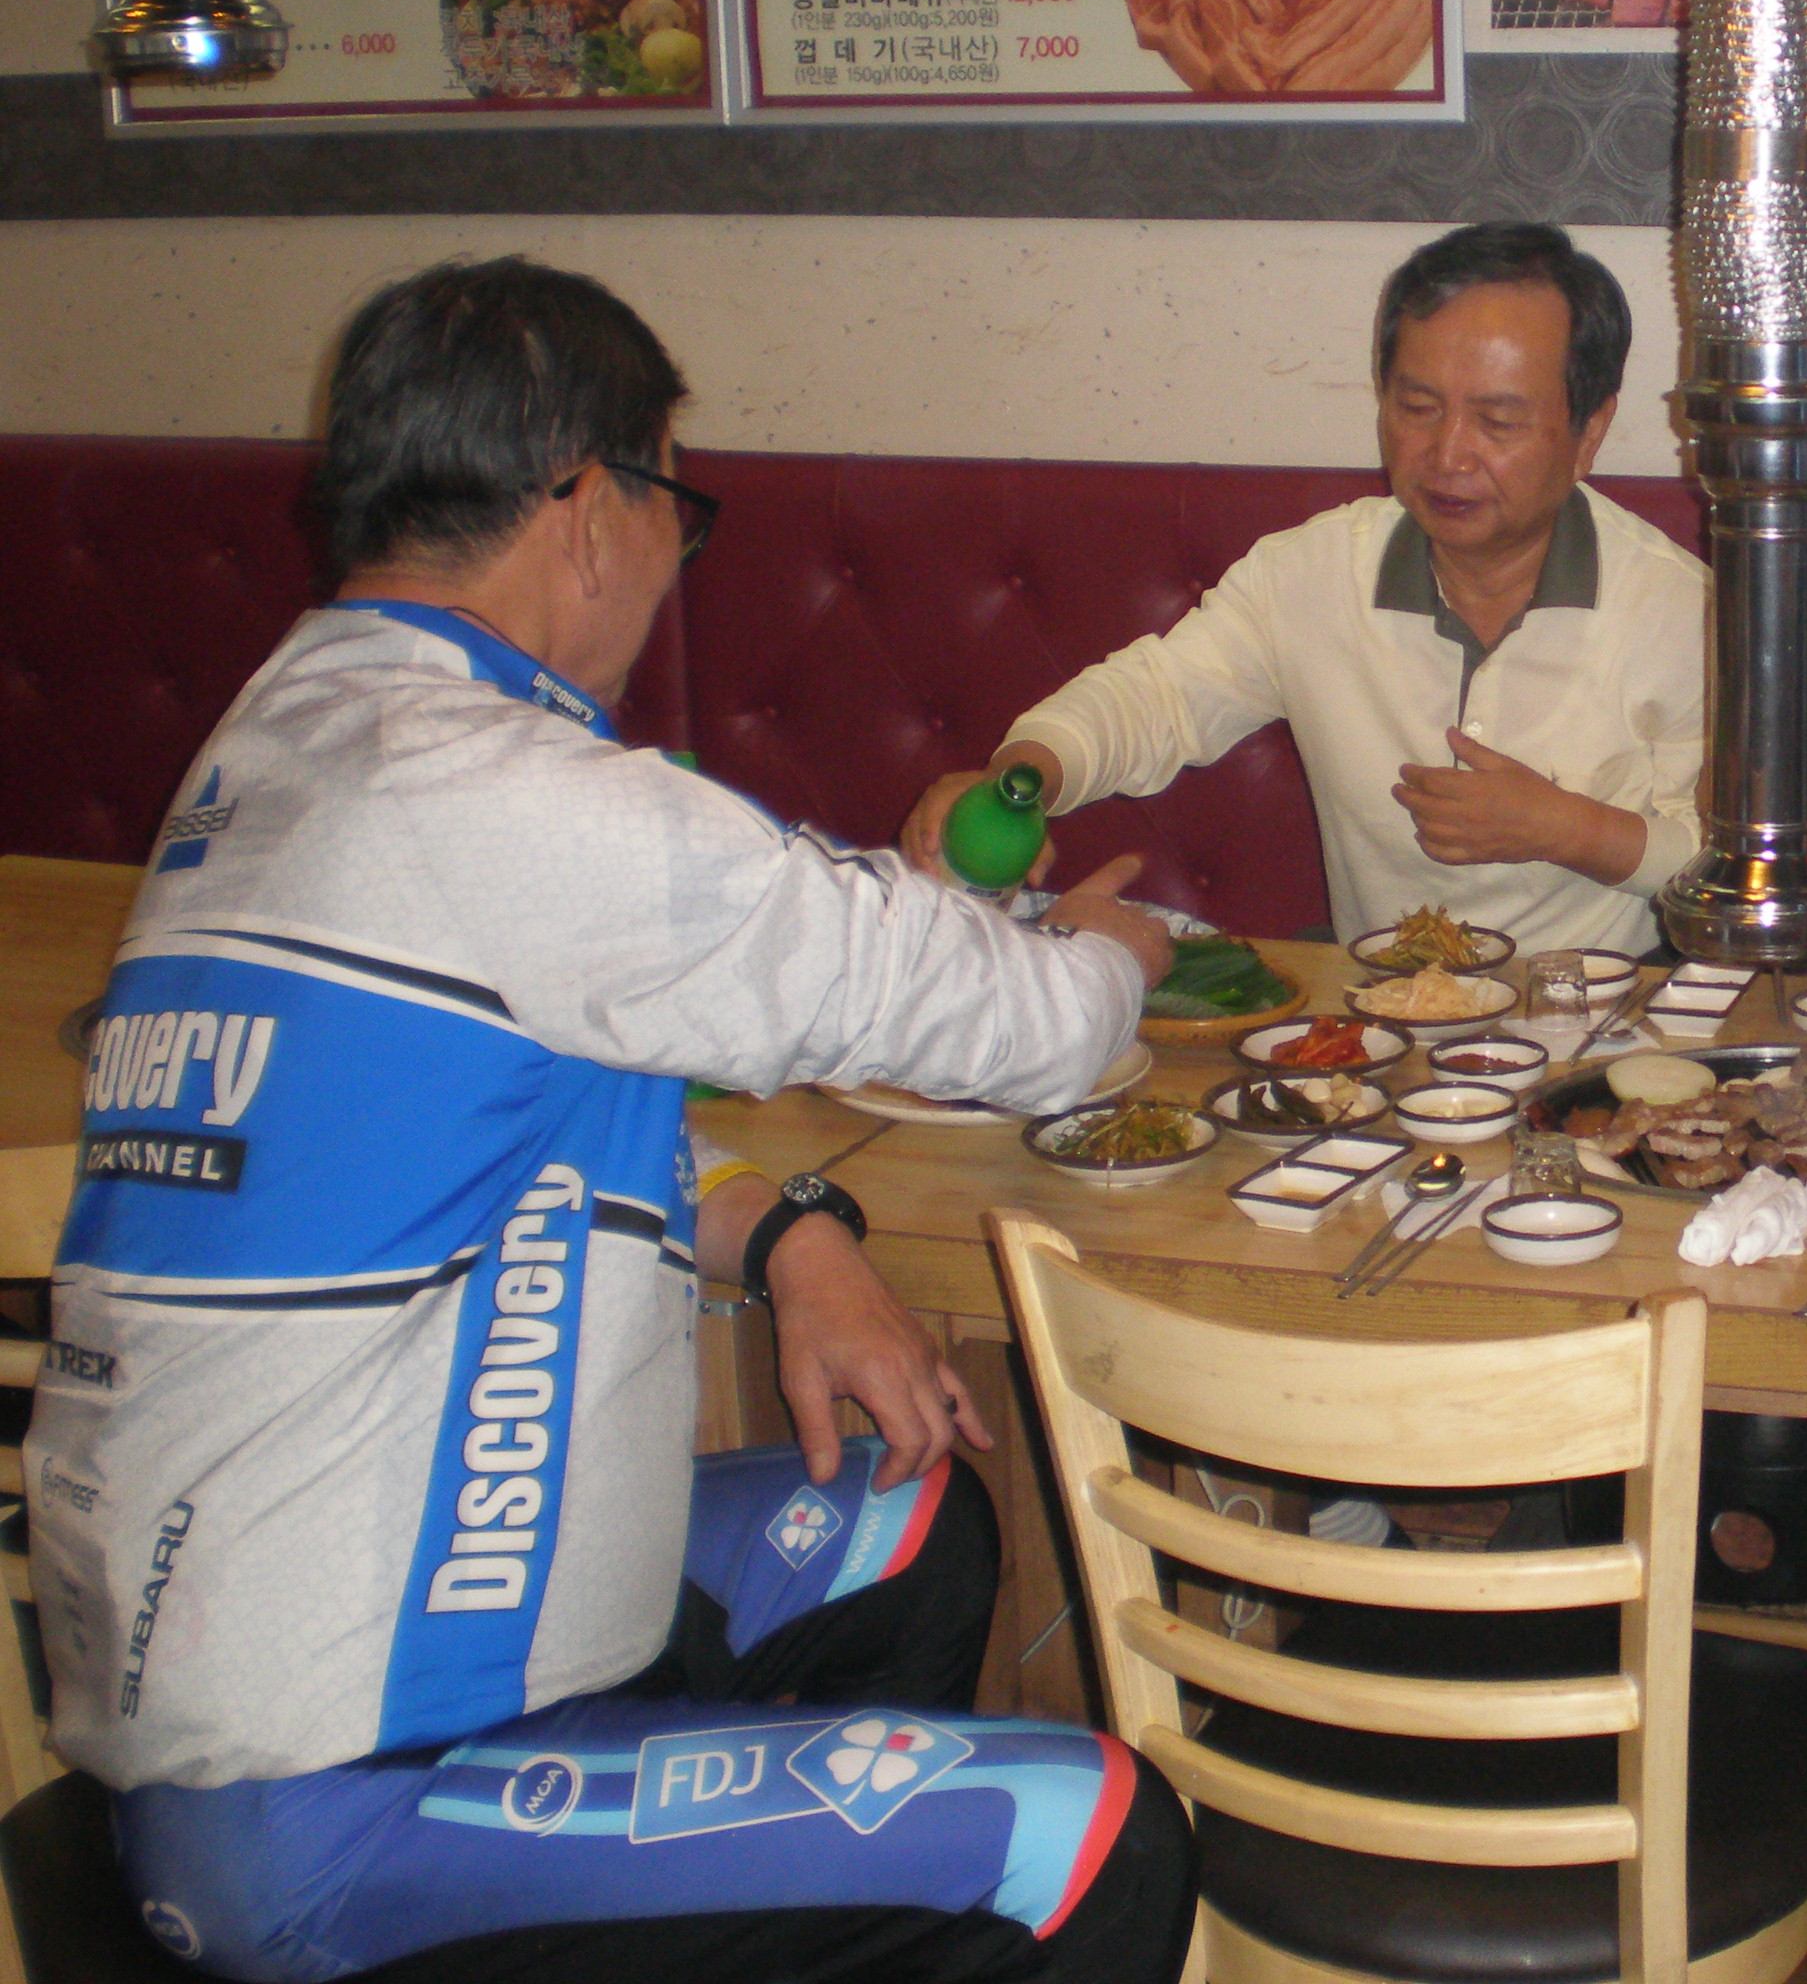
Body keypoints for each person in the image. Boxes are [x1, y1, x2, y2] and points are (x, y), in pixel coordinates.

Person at [32, 259, 1197, 1984]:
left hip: (256, 1661)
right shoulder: (494, 785)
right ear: (588, 506)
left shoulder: (283, 738)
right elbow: (1017, 1028)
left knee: (909, 1512)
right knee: (1092, 1838)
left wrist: (788, 1228)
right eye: (677, 507)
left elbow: (478, 1111)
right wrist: (1111, 956)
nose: (671, 560)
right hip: (335, 1792)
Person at [901, 223, 1707, 958]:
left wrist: (1567, 829)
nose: (1447, 455)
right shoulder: (1311, 573)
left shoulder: (1685, 611)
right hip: (1377, 1020)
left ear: (1589, 431)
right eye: (1417, 407)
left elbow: (1729, 866)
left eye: (1497, 422)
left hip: (1602, 1020)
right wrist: (1022, 779)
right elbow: (1157, 699)